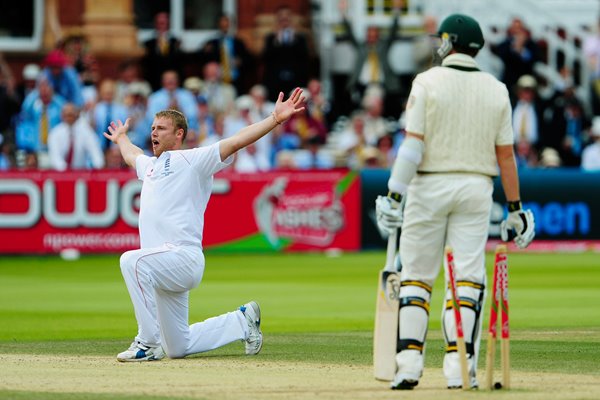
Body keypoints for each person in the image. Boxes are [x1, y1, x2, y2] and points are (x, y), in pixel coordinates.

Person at [374, 14, 535, 390]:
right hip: (476, 189)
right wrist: (515, 209)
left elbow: (413, 146)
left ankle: (409, 365)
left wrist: (394, 193)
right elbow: (506, 157)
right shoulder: (497, 89)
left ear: (449, 42)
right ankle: (459, 369)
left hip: (429, 188)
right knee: (467, 279)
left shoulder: (427, 82)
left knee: (416, 276)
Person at [103, 87, 305, 362]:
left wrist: (274, 119)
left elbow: (235, 142)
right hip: (162, 266)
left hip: (182, 257)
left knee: (131, 261)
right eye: (152, 128)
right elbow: (131, 155)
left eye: (162, 128)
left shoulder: (193, 160)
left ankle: (147, 343)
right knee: (178, 347)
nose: (154, 133)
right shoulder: (149, 167)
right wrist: (122, 137)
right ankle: (241, 320)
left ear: (179, 135)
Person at [262, 6, 310, 103]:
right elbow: (265, 58)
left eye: (287, 17)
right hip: (276, 81)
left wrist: (294, 41)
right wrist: (277, 42)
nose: (284, 20)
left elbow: (305, 58)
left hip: (295, 79)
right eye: (281, 18)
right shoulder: (271, 38)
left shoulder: (300, 38)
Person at [199, 14, 252, 95]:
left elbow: (248, 59)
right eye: (222, 24)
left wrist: (240, 61)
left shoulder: (238, 42)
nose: (225, 26)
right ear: (219, 25)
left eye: (227, 24)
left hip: (235, 80)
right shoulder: (212, 43)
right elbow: (203, 59)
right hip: (218, 81)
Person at [48, 103, 105, 171]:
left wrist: (97, 169)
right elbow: (55, 158)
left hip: (81, 173)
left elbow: (96, 153)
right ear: (62, 116)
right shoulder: (55, 133)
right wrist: (68, 173)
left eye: (71, 115)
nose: (69, 118)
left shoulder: (86, 131)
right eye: (67, 115)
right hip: (61, 174)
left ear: (77, 115)